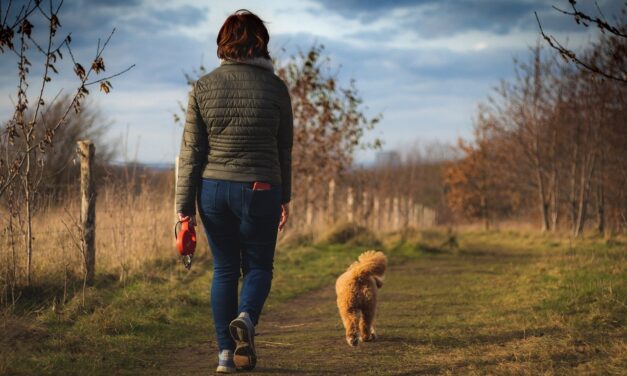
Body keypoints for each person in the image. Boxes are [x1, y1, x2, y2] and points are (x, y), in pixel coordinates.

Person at [175, 9, 292, 374]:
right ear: (261, 44)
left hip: (212, 191)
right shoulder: (276, 88)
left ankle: (226, 355)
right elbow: (283, 147)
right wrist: (284, 196)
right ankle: (246, 318)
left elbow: (191, 151)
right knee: (259, 266)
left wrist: (183, 208)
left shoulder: (203, 87)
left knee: (224, 270)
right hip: (261, 189)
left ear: (224, 44)